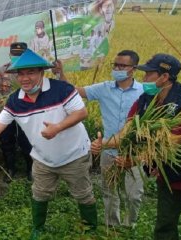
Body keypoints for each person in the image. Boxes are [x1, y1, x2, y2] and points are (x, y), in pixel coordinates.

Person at [0, 49, 97, 239]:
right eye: (21, 74)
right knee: (39, 194)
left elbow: (81, 113)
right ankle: (38, 229)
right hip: (43, 158)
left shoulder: (61, 89)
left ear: (42, 72)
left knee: (83, 194)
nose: (25, 78)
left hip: (74, 155)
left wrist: (57, 127)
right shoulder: (15, 100)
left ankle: (90, 229)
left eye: (31, 72)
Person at [92, 53, 181, 240]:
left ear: (164, 77)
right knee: (164, 225)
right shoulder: (145, 100)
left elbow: (170, 143)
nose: (144, 78)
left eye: (149, 74)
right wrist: (104, 144)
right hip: (169, 174)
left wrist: (135, 160)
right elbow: (126, 132)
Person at [73, 50, 144, 228]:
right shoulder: (104, 88)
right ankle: (112, 225)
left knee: (134, 194)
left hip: (134, 153)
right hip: (108, 150)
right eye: (115, 65)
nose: (117, 68)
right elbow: (76, 91)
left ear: (133, 69)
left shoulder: (144, 91)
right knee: (109, 191)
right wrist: (60, 73)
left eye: (122, 65)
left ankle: (130, 226)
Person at [0, 42, 33, 182]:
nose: (17, 57)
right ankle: (10, 169)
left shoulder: (31, 70)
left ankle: (30, 169)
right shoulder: (3, 70)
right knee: (6, 141)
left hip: (26, 112)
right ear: (10, 55)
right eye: (15, 55)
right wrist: (4, 103)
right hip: (5, 111)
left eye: (20, 55)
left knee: (27, 141)